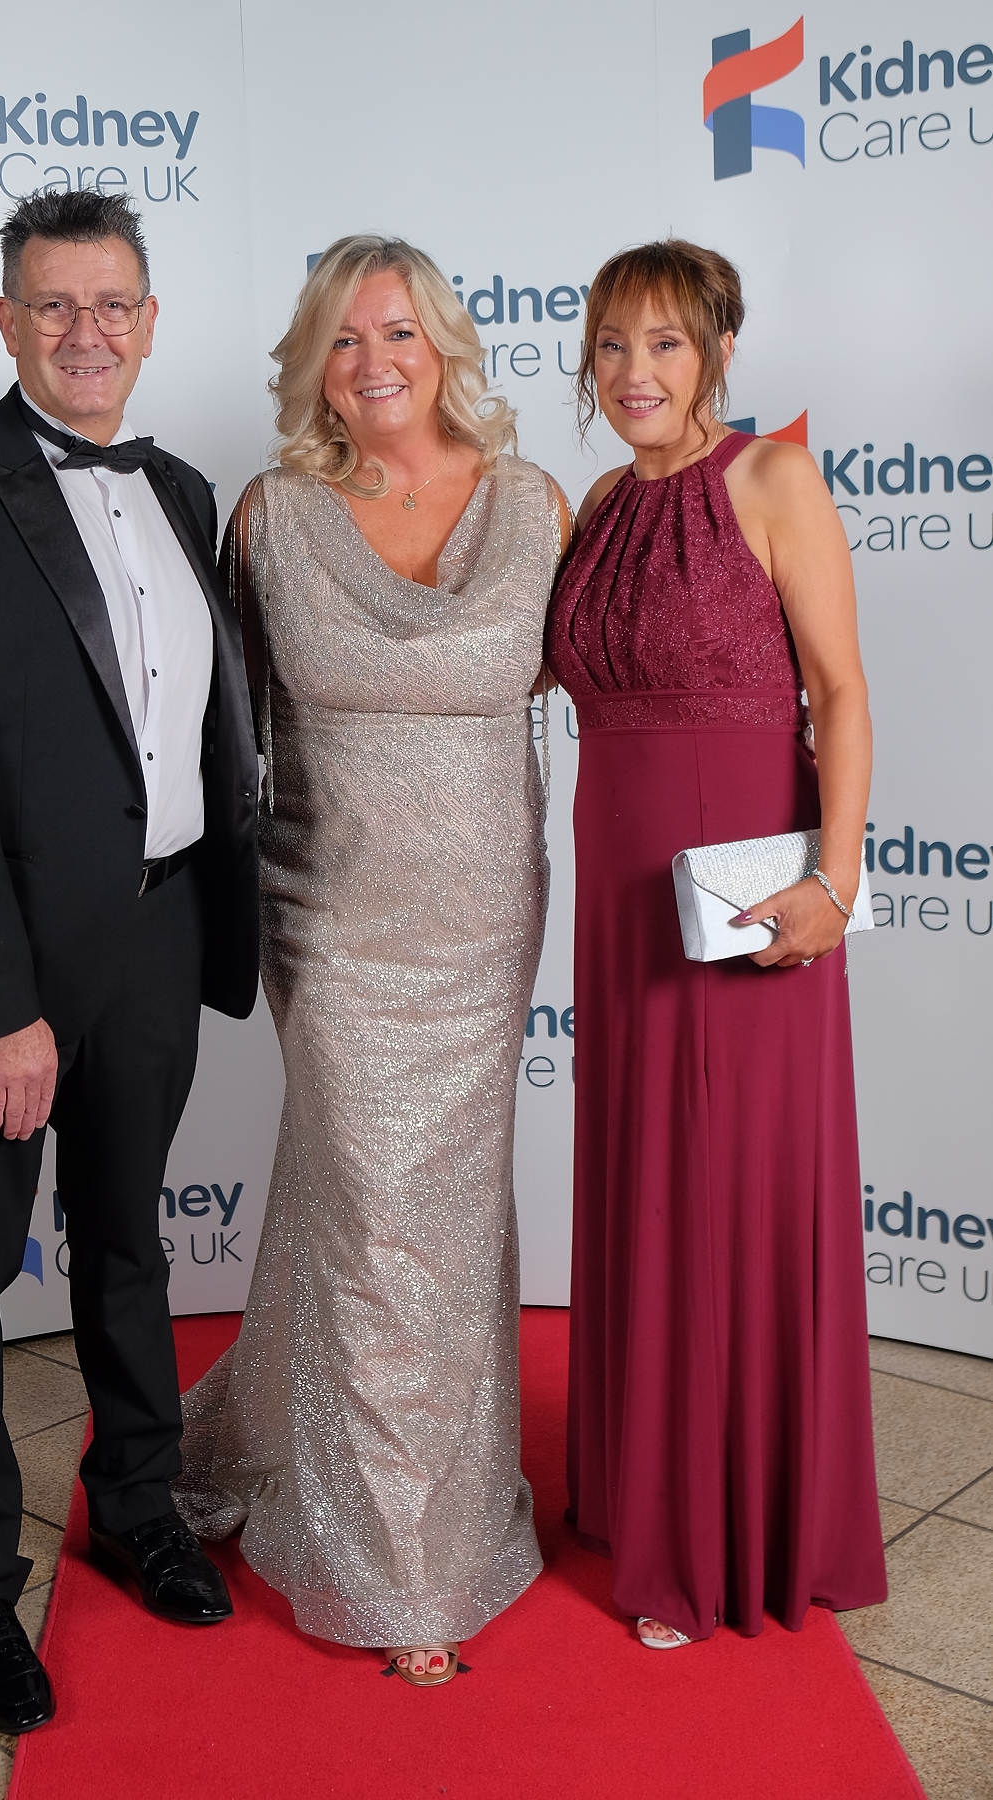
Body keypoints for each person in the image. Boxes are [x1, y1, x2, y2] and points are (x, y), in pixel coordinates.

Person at [0, 189, 258, 1733]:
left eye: (114, 305)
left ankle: (137, 1504)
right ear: (6, 321)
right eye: (54, 306)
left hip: (156, 932)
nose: (87, 333)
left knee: (132, 1243)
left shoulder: (189, 490)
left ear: (149, 321)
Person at [172, 236, 570, 1686]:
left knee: (434, 1214)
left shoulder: (536, 504)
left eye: (393, 331)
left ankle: (366, 1483)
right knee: (372, 1205)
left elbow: (628, 674)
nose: (371, 361)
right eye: (341, 340)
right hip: (329, 919)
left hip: (479, 919)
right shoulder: (270, 518)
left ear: (441, 341)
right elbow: (222, 733)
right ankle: (400, 1567)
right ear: (312, 365)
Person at [545, 239, 886, 1648]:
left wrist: (832, 876)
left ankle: (728, 1535)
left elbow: (841, 694)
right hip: (623, 884)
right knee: (647, 1184)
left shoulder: (771, 479)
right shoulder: (595, 504)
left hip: (751, 893)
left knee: (730, 1187)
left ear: (719, 352)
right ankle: (643, 1493)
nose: (634, 372)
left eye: (665, 344)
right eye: (612, 345)